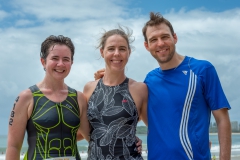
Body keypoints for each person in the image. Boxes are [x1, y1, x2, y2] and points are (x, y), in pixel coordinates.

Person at [95, 12, 232, 160]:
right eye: (153, 39)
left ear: (175, 37)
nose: (160, 43)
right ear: (147, 46)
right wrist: (108, 82)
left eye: (165, 37)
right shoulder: (150, 79)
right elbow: (137, 113)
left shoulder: (202, 70)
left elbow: (222, 119)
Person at [6, 35, 90, 160]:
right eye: (55, 58)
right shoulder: (27, 97)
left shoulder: (78, 98)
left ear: (71, 63)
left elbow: (92, 136)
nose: (60, 64)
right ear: (43, 61)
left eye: (66, 59)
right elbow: (13, 146)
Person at [83, 26, 148, 160]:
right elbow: (87, 130)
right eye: (111, 48)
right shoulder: (89, 88)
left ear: (129, 52)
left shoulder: (139, 89)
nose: (117, 53)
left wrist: (131, 137)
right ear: (102, 52)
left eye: (122, 49)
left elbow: (154, 127)